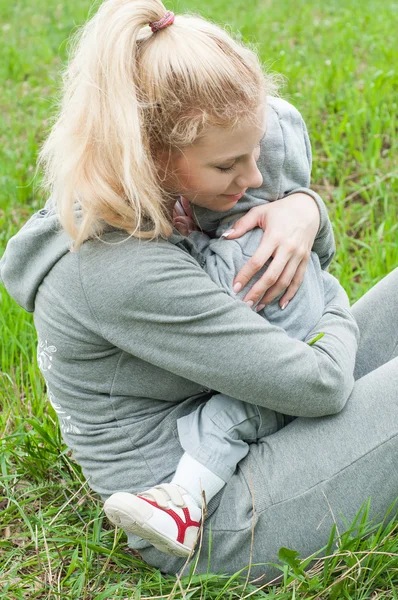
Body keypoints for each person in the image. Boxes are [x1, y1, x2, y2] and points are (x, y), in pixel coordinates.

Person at [1, 0, 397, 582]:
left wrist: (303, 212)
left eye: (255, 151)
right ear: (151, 155)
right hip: (209, 512)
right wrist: (328, 300)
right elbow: (321, 382)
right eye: (228, 165)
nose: (255, 179)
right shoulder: (116, 270)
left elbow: (291, 271)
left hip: (255, 408)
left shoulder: (166, 185)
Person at [102, 95, 359, 558]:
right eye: (229, 165)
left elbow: (220, 295)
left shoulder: (249, 242)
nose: (252, 177)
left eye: (255, 161)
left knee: (223, 422)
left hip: (282, 373)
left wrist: (185, 241)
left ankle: (184, 507)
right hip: (292, 354)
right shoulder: (267, 225)